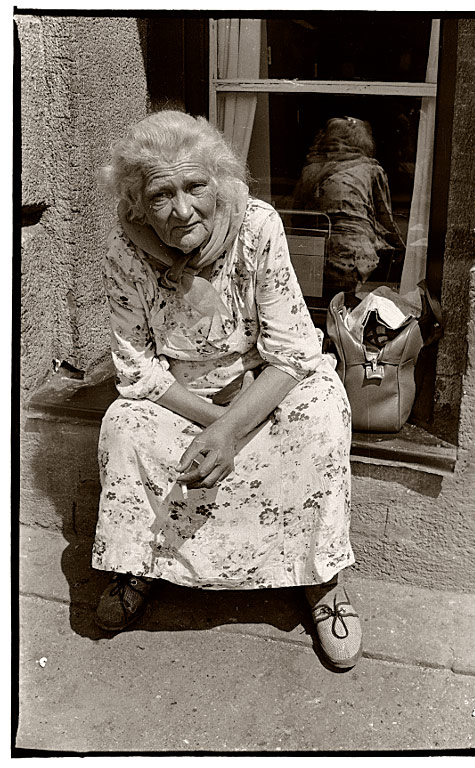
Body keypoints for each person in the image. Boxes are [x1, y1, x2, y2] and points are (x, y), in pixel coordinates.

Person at [92, 109, 361, 670]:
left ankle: (320, 577)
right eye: (161, 194)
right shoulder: (123, 252)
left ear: (219, 181)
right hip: (183, 397)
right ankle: (139, 564)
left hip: (264, 386)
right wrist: (211, 422)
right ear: (138, 202)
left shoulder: (258, 227)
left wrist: (230, 428)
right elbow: (138, 369)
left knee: (322, 413)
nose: (182, 209)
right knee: (123, 425)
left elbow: (291, 353)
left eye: (196, 186)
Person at [293, 116, 405, 299]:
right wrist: (407, 253)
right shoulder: (371, 169)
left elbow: (297, 217)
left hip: (316, 259)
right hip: (359, 261)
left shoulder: (309, 170)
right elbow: (386, 218)